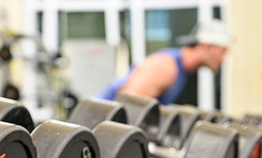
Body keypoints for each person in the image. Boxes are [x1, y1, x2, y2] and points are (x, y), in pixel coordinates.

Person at [96, 19, 231, 105]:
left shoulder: (182, 70)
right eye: (222, 52)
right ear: (205, 46)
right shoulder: (166, 66)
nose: (223, 60)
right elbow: (126, 106)